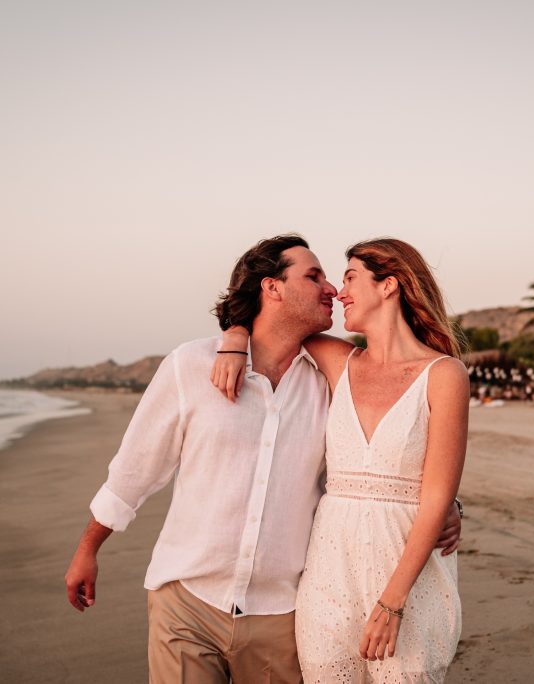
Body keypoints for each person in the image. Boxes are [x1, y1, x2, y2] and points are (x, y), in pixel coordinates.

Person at [63, 234, 461, 683]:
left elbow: (392, 456)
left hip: (280, 610)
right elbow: (134, 470)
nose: (332, 288)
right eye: (315, 276)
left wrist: (448, 506)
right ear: (272, 288)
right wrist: (87, 548)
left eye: (341, 277)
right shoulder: (194, 366)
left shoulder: (326, 376)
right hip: (189, 598)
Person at [212, 238, 468, 682]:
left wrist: (393, 601)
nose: (339, 291)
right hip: (330, 570)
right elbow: (273, 324)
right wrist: (234, 335)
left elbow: (437, 497)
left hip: (407, 572)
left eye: (350, 278)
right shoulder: (337, 360)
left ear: (389, 286)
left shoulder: (444, 375)